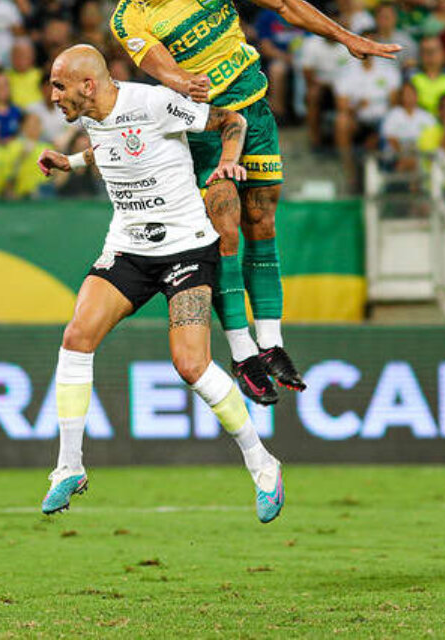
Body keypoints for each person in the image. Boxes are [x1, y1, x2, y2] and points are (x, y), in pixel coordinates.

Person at [109, 0, 399, 404]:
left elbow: (283, 3)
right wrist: (182, 81)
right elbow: (157, 65)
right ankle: (243, 354)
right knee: (225, 228)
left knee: (262, 223)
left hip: (255, 111)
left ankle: (272, 345)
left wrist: (346, 37)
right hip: (204, 129)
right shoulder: (130, 16)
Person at [34, 45, 285, 522]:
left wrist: (229, 163)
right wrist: (73, 164)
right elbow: (114, 145)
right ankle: (69, 466)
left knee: (191, 365)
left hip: (187, 247)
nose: (52, 95)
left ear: (88, 85)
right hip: (129, 247)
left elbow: (231, 121)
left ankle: (262, 462)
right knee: (76, 337)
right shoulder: (93, 116)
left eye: (59, 85)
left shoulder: (152, 102)